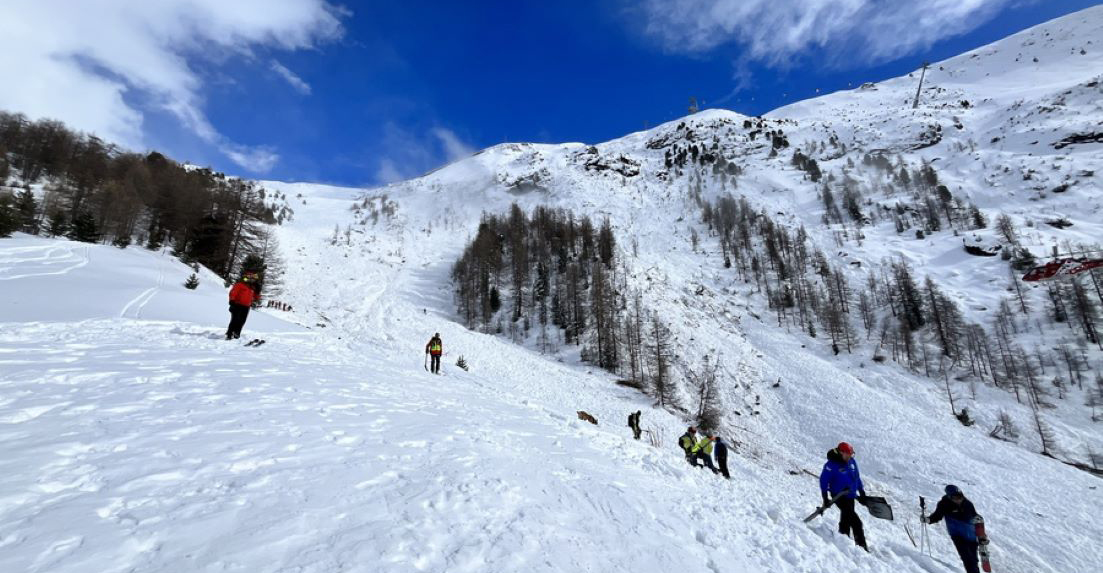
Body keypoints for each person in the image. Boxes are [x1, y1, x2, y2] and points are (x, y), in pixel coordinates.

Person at [819, 441, 868, 550]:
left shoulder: (852, 462)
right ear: (840, 453)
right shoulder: (831, 465)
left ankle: (842, 540)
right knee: (856, 522)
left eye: (851, 454)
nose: (849, 457)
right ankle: (862, 548)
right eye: (847, 454)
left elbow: (856, 477)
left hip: (850, 495)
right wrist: (825, 498)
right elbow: (824, 481)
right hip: (839, 495)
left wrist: (862, 492)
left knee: (846, 519)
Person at [923, 485, 982, 573]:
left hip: (971, 535)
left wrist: (981, 534)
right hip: (957, 534)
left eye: (960, 497)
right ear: (949, 497)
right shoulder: (944, 504)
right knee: (967, 558)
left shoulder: (968, 504)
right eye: (955, 498)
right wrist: (928, 520)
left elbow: (975, 518)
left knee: (974, 560)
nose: (958, 500)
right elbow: (937, 516)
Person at [226, 271, 259, 340]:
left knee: (242, 320)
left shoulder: (252, 288)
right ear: (246, 277)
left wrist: (258, 291)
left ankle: (237, 333)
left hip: (246, 306)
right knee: (235, 319)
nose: (251, 279)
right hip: (237, 304)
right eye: (249, 277)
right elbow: (233, 292)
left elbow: (256, 298)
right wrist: (232, 300)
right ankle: (229, 334)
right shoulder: (240, 284)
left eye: (252, 277)